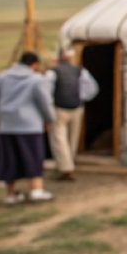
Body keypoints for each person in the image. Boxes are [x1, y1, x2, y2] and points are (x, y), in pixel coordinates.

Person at [0, 52, 55, 204]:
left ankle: (10, 195)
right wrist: (49, 119)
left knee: (10, 160)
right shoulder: (37, 79)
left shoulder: (3, 77)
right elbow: (45, 102)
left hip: (6, 125)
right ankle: (36, 190)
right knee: (34, 157)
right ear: (34, 64)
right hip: (30, 126)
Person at [45, 48, 99, 180]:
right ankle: (69, 165)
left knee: (59, 139)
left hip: (59, 108)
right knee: (72, 139)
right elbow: (92, 88)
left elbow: (46, 91)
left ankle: (66, 168)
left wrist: (48, 107)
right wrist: (81, 98)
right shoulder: (80, 70)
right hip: (77, 108)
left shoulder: (53, 71)